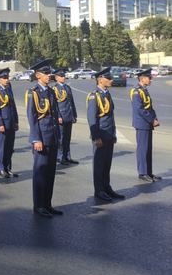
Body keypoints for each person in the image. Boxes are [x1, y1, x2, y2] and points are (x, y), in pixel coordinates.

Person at [26, 59, 62, 218]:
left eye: (50, 73)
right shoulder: (33, 92)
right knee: (40, 173)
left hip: (52, 136)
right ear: (38, 75)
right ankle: (39, 205)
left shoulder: (51, 91)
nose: (50, 75)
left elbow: (53, 115)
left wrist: (58, 137)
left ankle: (47, 204)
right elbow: (32, 118)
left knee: (50, 173)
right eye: (46, 73)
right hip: (41, 137)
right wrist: (36, 139)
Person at [86, 67, 125, 202]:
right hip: (100, 135)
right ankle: (99, 190)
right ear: (100, 79)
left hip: (108, 134)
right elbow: (92, 119)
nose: (111, 80)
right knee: (99, 164)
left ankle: (106, 187)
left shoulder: (106, 94)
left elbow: (110, 116)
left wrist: (113, 134)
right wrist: (96, 137)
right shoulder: (93, 96)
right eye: (108, 78)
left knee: (107, 164)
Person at [130, 68, 161, 182]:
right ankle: (142, 173)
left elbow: (149, 106)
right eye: (149, 78)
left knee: (148, 149)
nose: (151, 79)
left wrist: (155, 118)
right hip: (142, 123)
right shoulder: (136, 91)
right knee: (143, 149)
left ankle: (149, 172)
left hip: (147, 123)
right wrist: (151, 120)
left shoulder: (144, 90)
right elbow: (139, 109)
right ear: (142, 79)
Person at [0, 68, 19, 178]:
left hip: (11, 122)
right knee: (1, 147)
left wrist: (16, 121)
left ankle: (7, 167)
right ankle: (0, 168)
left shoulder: (8, 90)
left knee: (9, 147)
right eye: (4, 78)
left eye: (7, 78)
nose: (7, 80)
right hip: (3, 123)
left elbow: (13, 107)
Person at [52, 69, 79, 165]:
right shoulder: (54, 89)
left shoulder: (67, 87)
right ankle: (60, 157)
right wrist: (58, 116)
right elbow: (55, 105)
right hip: (61, 116)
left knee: (67, 137)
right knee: (61, 138)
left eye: (64, 76)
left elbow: (71, 102)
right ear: (56, 78)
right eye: (61, 76)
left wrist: (74, 115)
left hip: (68, 115)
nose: (63, 77)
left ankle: (67, 156)